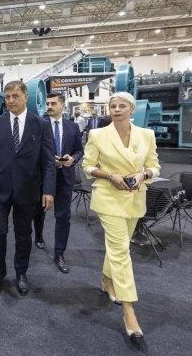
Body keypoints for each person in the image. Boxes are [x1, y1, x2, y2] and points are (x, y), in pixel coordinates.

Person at [82, 91, 160, 340]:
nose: (116, 109)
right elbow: (88, 166)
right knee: (120, 251)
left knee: (119, 246)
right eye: (113, 106)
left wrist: (143, 175)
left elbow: (155, 166)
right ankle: (129, 310)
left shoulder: (146, 135)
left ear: (131, 109)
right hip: (108, 198)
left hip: (135, 197)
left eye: (122, 106)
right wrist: (110, 175)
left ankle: (107, 281)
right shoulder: (97, 135)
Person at [0, 81, 56, 296]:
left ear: (25, 97)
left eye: (15, 96)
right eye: (7, 97)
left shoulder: (40, 124)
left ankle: (21, 272)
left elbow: (49, 161)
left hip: (28, 189)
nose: (10, 101)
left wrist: (48, 190)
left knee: (23, 234)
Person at [34, 93, 84, 273]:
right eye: (48, 103)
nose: (49, 106)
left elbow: (79, 150)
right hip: (42, 177)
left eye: (53, 103)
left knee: (63, 216)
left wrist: (73, 159)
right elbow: (32, 150)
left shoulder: (72, 127)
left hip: (65, 177)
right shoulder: (39, 124)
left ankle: (59, 253)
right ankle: (38, 235)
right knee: (39, 212)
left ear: (63, 105)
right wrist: (49, 160)